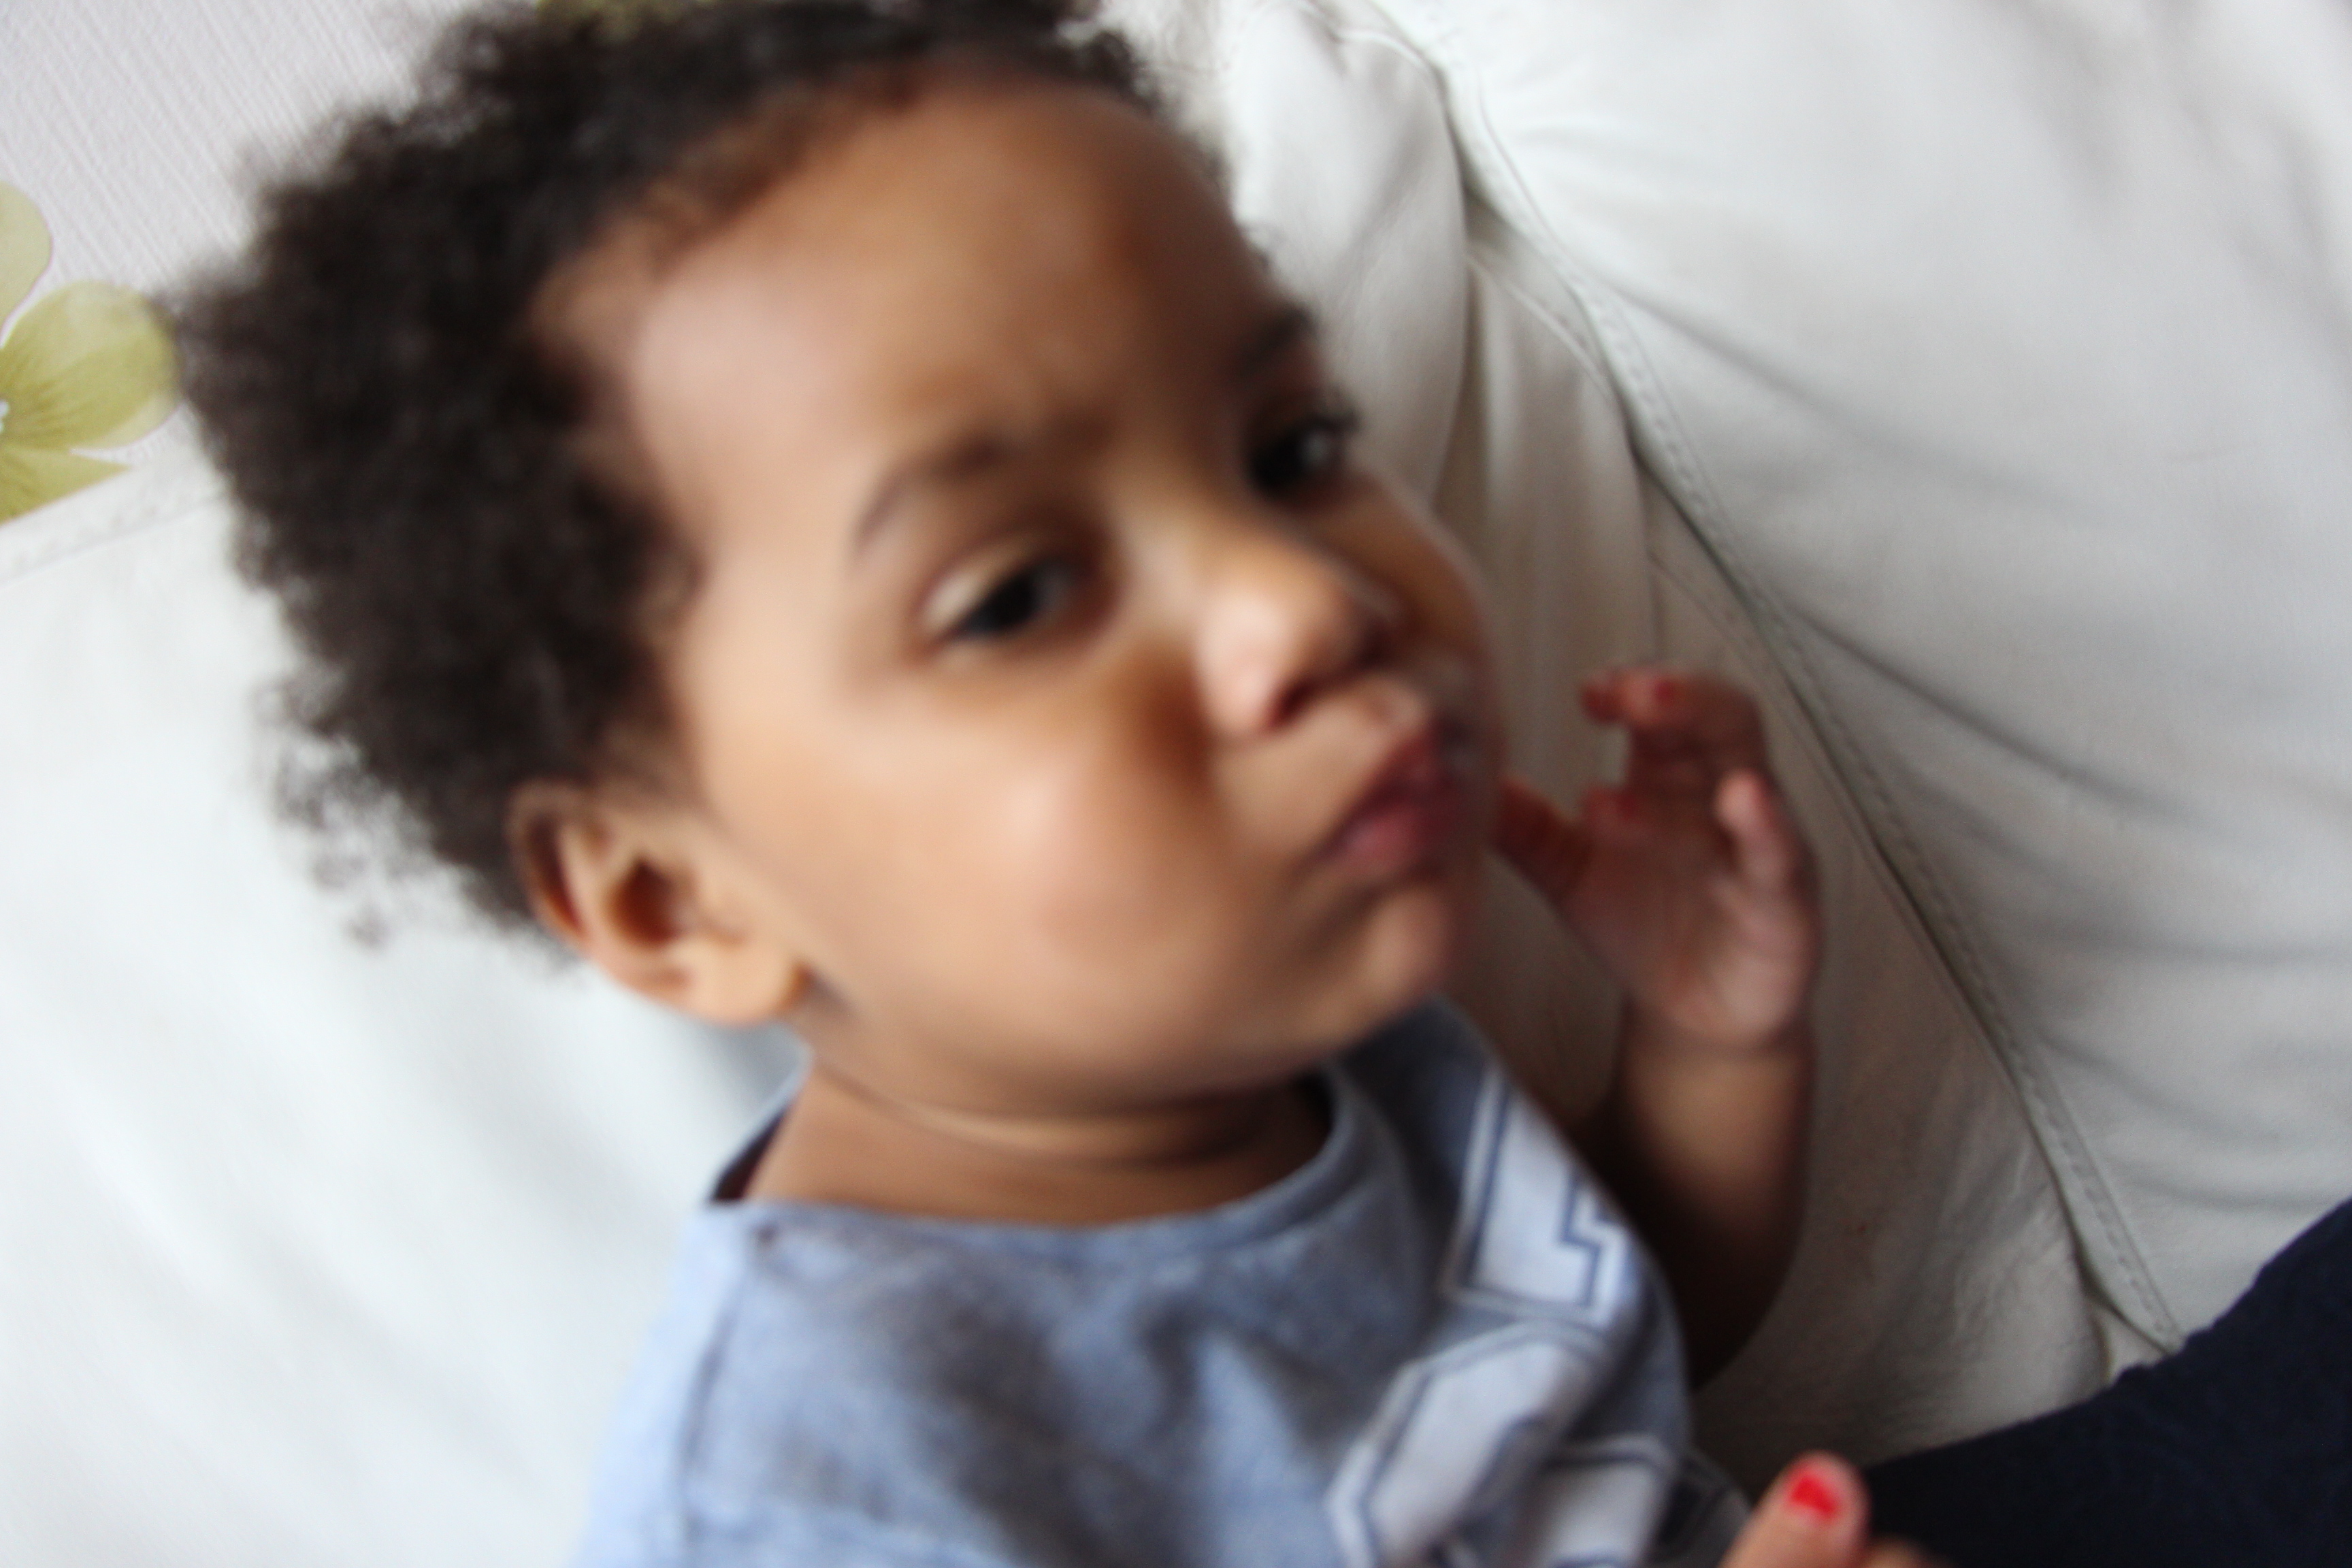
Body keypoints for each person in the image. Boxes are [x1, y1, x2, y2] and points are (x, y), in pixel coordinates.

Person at [179, 2, 1934, 1563]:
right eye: (1015, 596)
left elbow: (1608, 1366)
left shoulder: (1317, 1039)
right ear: (677, 898)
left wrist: (1711, 1039)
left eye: (1293, 449)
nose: (1303, 601)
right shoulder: (839, 1484)